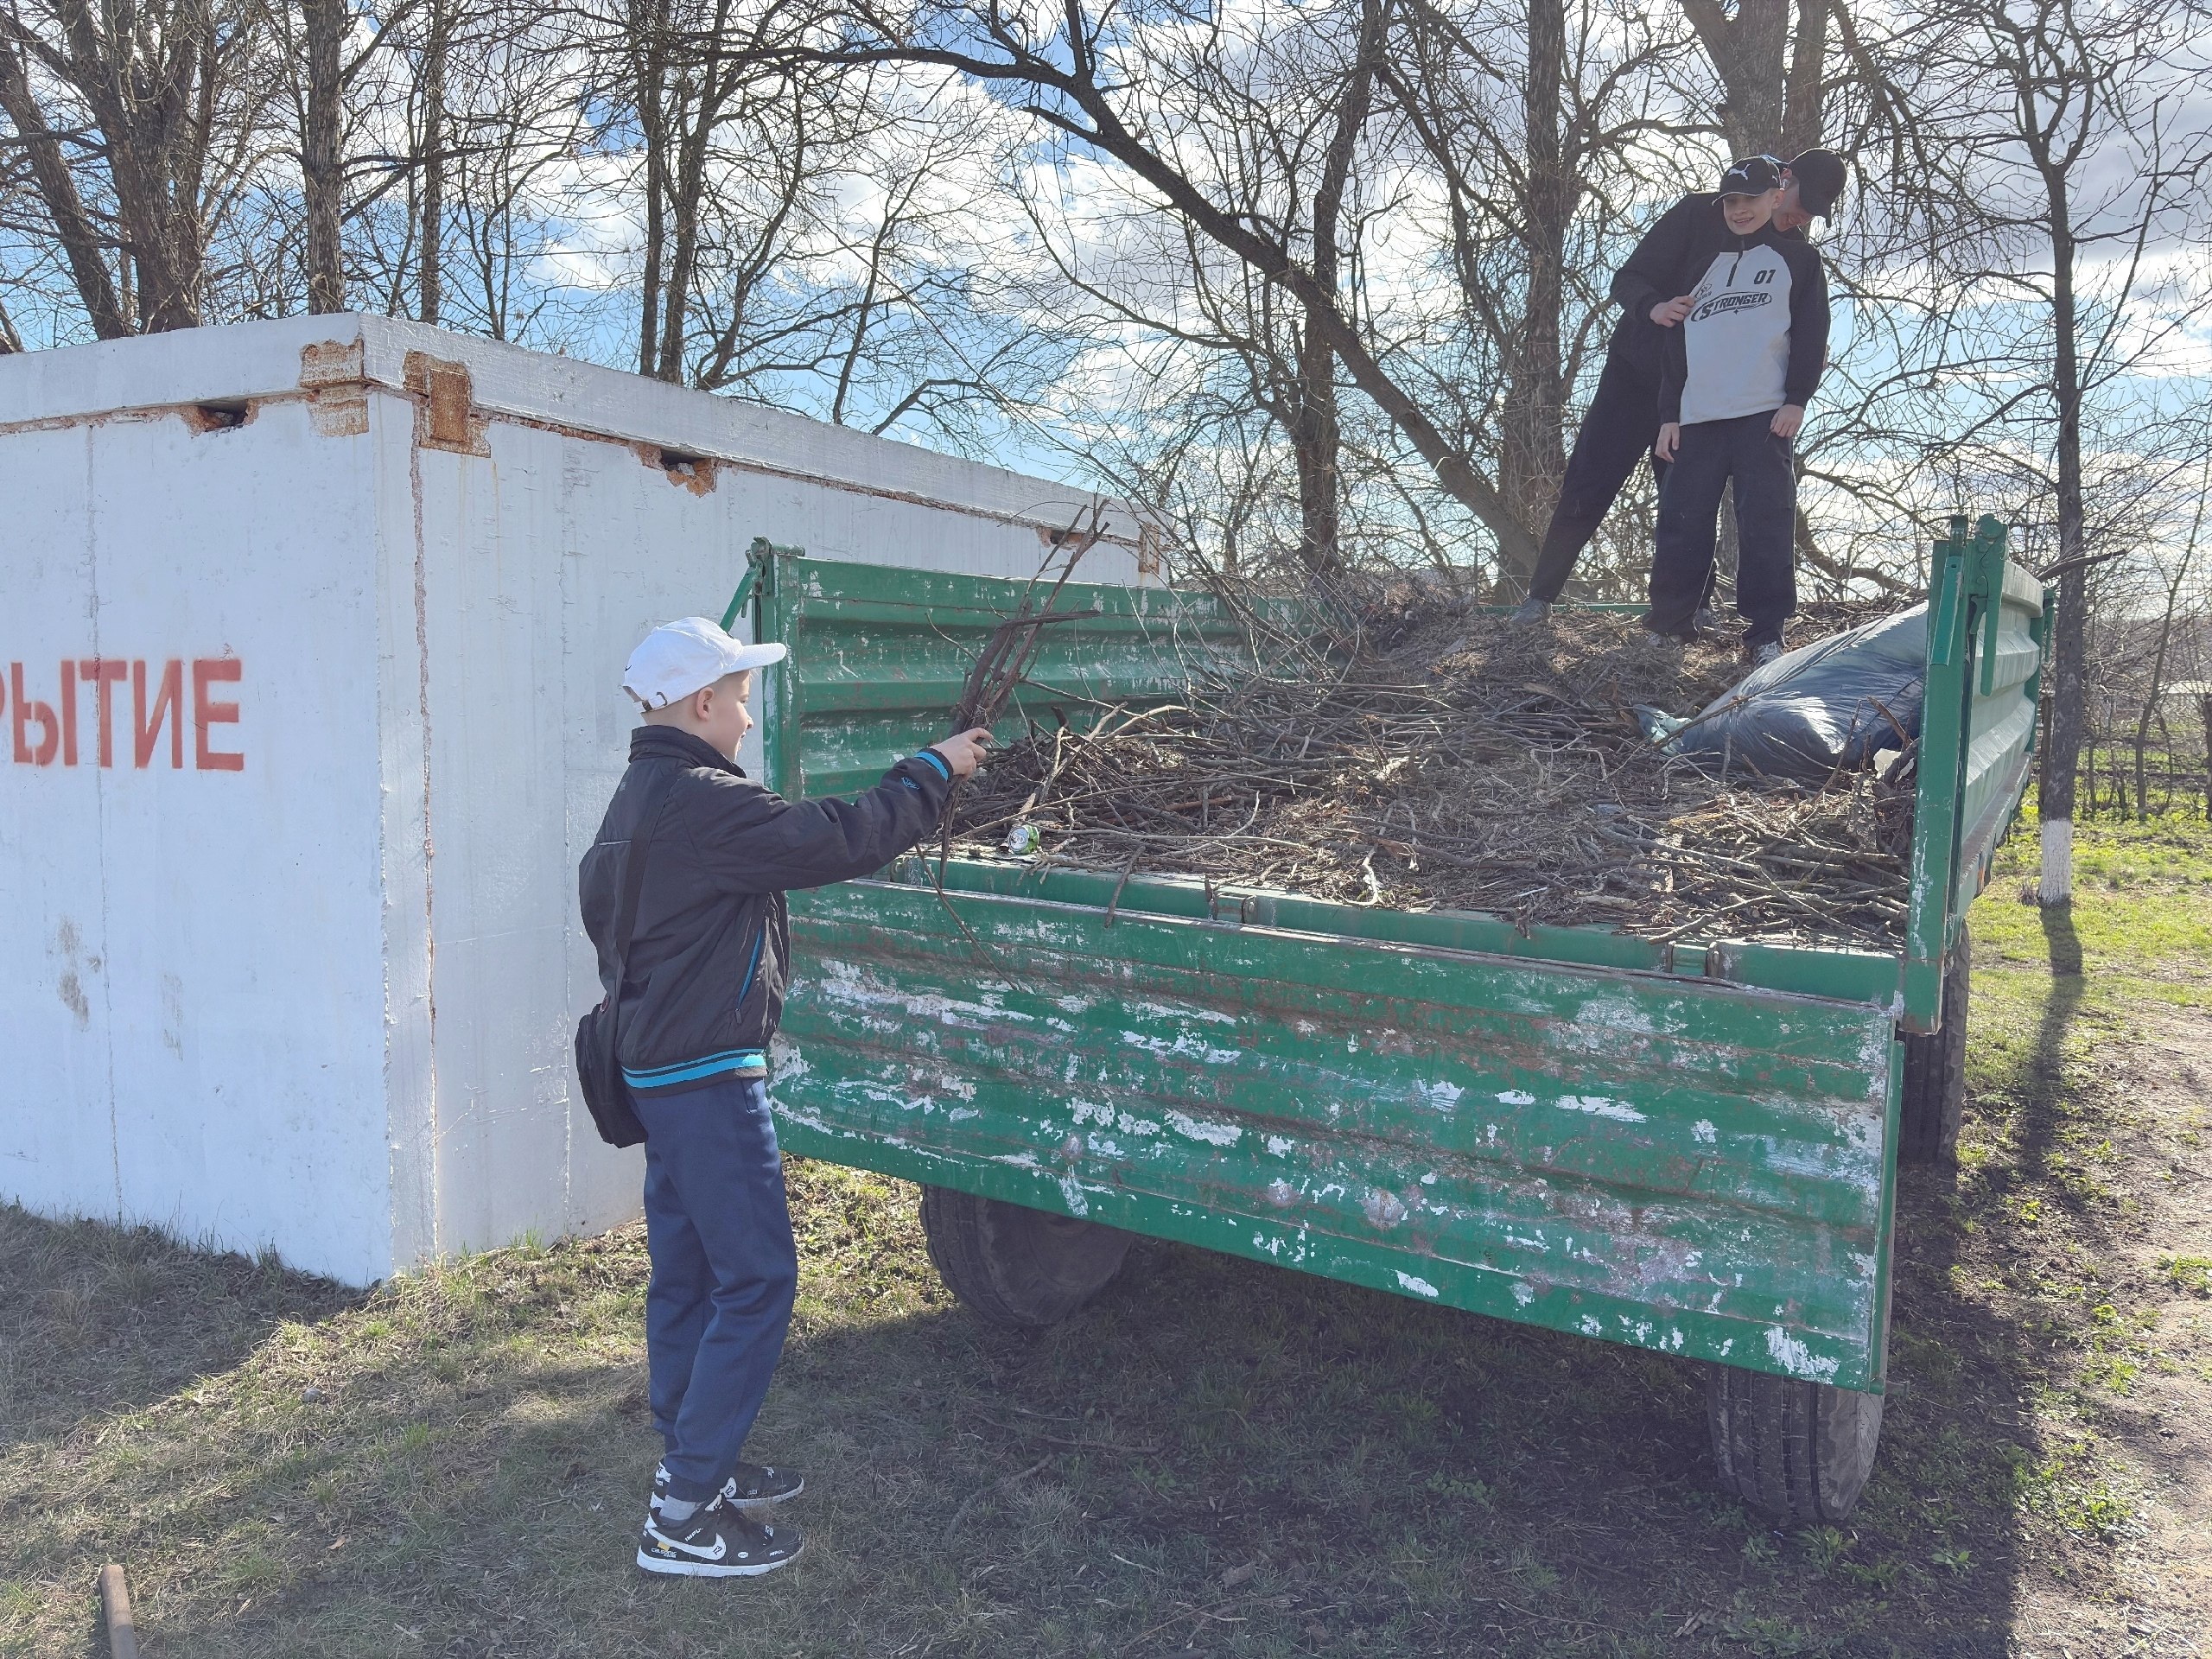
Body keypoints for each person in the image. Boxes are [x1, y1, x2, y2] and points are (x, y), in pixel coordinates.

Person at [578, 615, 990, 1578]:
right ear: (703, 704)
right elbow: (834, 839)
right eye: (744, 699)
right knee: (758, 1279)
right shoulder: (700, 799)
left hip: (656, 1070)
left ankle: (696, 1460)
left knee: (688, 1273)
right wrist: (930, 771)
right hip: (703, 1078)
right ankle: (682, 1517)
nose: (751, 720)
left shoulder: (642, 795)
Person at [1513, 148, 1847, 625]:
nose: (1800, 217)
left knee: (1689, 502)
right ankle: (1540, 596)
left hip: (1701, 396)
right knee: (1591, 480)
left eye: (1811, 214)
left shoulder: (1785, 255)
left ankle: (1694, 608)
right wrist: (1653, 306)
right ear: (1782, 180)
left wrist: (1797, 387)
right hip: (1637, 376)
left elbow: (1797, 329)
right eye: (1801, 201)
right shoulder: (1700, 213)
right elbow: (1627, 278)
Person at [1644, 157, 1831, 663]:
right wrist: (1668, 415)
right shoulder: (1701, 264)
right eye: (1731, 200)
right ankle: (1669, 626)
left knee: (1765, 522)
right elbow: (1675, 349)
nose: (1740, 210)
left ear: (1777, 196)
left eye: (1751, 199)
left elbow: (1812, 336)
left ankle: (1765, 634)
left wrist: (1797, 399)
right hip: (1697, 418)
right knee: (1681, 521)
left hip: (1763, 416)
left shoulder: (1799, 262)